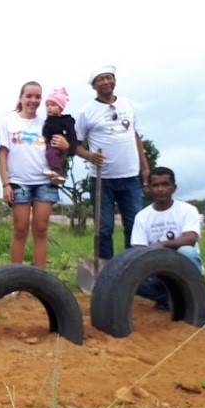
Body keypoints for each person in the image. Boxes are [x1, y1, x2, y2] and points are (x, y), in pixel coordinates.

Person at [75, 66, 150, 262]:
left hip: (130, 177)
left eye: (109, 78)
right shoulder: (85, 111)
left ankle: (132, 265)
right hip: (102, 180)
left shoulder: (128, 105)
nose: (106, 82)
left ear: (114, 80)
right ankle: (106, 269)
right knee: (104, 227)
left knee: (135, 224)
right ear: (94, 86)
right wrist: (90, 156)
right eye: (101, 79)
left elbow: (136, 137)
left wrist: (145, 169)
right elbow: (76, 146)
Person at [0, 81, 69, 268]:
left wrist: (65, 147)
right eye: (29, 96)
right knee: (20, 229)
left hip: (45, 182)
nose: (33, 100)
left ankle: (39, 280)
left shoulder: (48, 123)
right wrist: (6, 184)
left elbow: (57, 155)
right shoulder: (9, 121)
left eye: (38, 96)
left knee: (41, 229)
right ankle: (14, 279)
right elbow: (3, 155)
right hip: (18, 182)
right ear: (21, 98)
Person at [131, 167, 205, 310]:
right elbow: (139, 250)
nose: (160, 189)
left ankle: (197, 299)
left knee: (187, 251)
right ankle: (169, 300)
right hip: (157, 271)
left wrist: (162, 245)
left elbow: (190, 239)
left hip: (183, 269)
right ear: (149, 189)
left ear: (174, 188)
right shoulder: (142, 216)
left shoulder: (187, 210)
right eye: (155, 185)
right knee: (128, 276)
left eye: (165, 184)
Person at [41, 86, 76, 186]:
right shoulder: (47, 121)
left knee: (51, 154)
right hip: (48, 142)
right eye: (47, 105)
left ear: (60, 108)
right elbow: (45, 132)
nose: (49, 107)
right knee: (47, 153)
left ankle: (57, 171)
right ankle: (55, 174)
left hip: (57, 143)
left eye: (52, 105)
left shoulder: (66, 120)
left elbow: (72, 135)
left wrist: (71, 150)